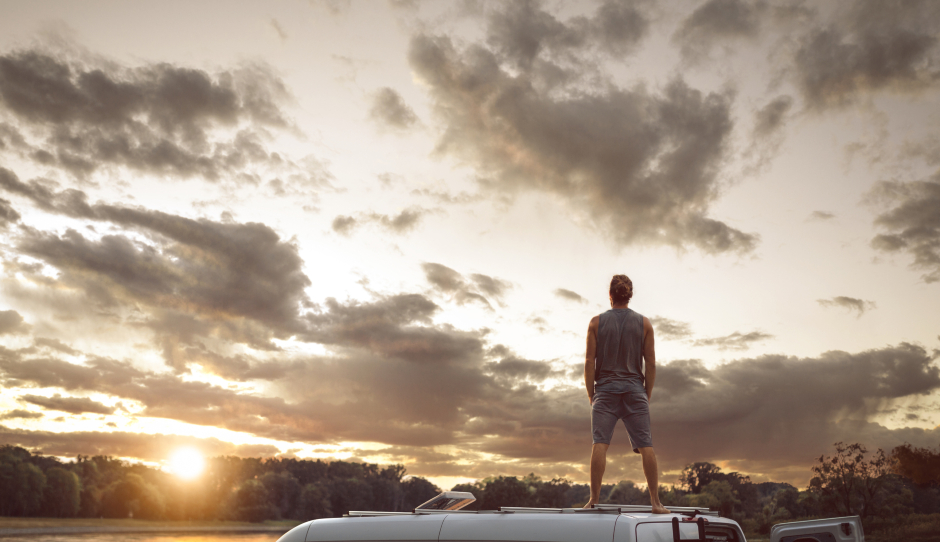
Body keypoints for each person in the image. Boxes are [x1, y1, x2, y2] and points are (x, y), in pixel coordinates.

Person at [582, 274, 668, 513]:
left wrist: (591, 394)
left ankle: (594, 500)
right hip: (635, 391)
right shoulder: (645, 324)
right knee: (646, 445)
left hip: (605, 391)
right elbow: (651, 364)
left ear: (610, 295)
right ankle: (656, 503)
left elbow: (589, 362)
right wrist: (646, 394)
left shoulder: (595, 323)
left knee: (599, 444)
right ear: (629, 296)